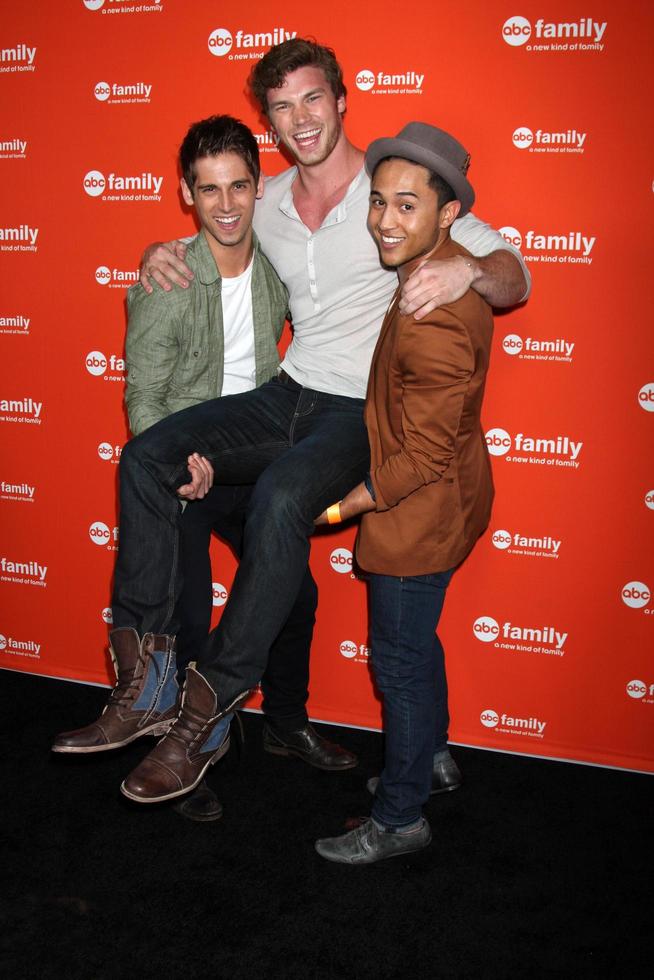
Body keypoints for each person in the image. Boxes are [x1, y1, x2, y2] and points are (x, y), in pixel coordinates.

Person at [53, 39, 529, 811]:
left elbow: (515, 273)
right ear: (268, 120)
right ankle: (146, 679)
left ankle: (212, 705)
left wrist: (469, 268)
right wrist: (158, 255)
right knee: (147, 455)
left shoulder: (393, 189)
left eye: (312, 99)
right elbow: (215, 229)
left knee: (278, 498)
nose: (299, 118)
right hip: (288, 390)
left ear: (342, 101)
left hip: (354, 410)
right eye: (281, 106)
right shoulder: (267, 197)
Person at [52, 115, 357, 819]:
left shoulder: (281, 264)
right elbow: (144, 395)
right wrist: (182, 465)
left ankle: (285, 722)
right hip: (189, 464)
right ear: (187, 194)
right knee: (190, 610)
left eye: (239, 186)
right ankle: (185, 746)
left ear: (260, 188)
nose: (225, 205)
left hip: (257, 456)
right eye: (208, 189)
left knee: (296, 600)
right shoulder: (166, 280)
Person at [314, 123, 494, 864]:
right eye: (379, 202)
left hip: (416, 517)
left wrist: (342, 506)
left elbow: (421, 452)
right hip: (447, 501)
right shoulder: (438, 269)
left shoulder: (437, 306)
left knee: (397, 663)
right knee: (416, 650)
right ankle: (434, 760)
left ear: (446, 215)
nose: (386, 220)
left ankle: (400, 817)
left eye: (407, 206)